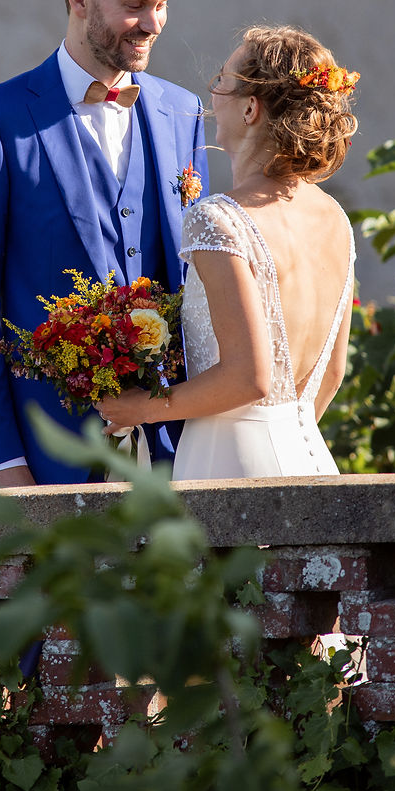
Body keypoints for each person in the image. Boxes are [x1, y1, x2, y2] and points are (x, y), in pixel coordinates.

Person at [0, 0, 209, 488]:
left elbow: (198, 287)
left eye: (163, 4)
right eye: (135, 4)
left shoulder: (181, 112)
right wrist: (1, 460)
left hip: (174, 455)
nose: (153, 23)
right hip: (46, 457)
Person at [97, 24, 358, 481]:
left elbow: (249, 378)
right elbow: (332, 374)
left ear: (251, 109)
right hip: (309, 459)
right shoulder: (334, 217)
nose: (213, 93)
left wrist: (140, 407)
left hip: (228, 465)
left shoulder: (219, 218)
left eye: (222, 79)